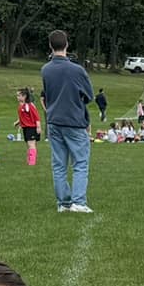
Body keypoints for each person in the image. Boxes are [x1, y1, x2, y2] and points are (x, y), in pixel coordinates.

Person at [40, 30, 95, 215]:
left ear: (50, 45)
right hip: (74, 121)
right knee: (80, 162)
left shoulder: (46, 69)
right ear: (67, 45)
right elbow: (89, 96)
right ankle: (78, 201)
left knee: (59, 164)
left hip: (54, 120)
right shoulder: (77, 70)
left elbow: (47, 95)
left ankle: (63, 203)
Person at [16, 86, 41, 167]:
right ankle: (30, 159)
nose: (17, 97)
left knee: (31, 144)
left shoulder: (29, 105)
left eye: (19, 95)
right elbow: (23, 117)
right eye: (17, 95)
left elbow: (36, 116)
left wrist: (38, 127)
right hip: (26, 128)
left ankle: (32, 162)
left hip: (31, 127)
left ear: (24, 96)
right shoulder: (21, 106)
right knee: (29, 144)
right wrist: (18, 122)